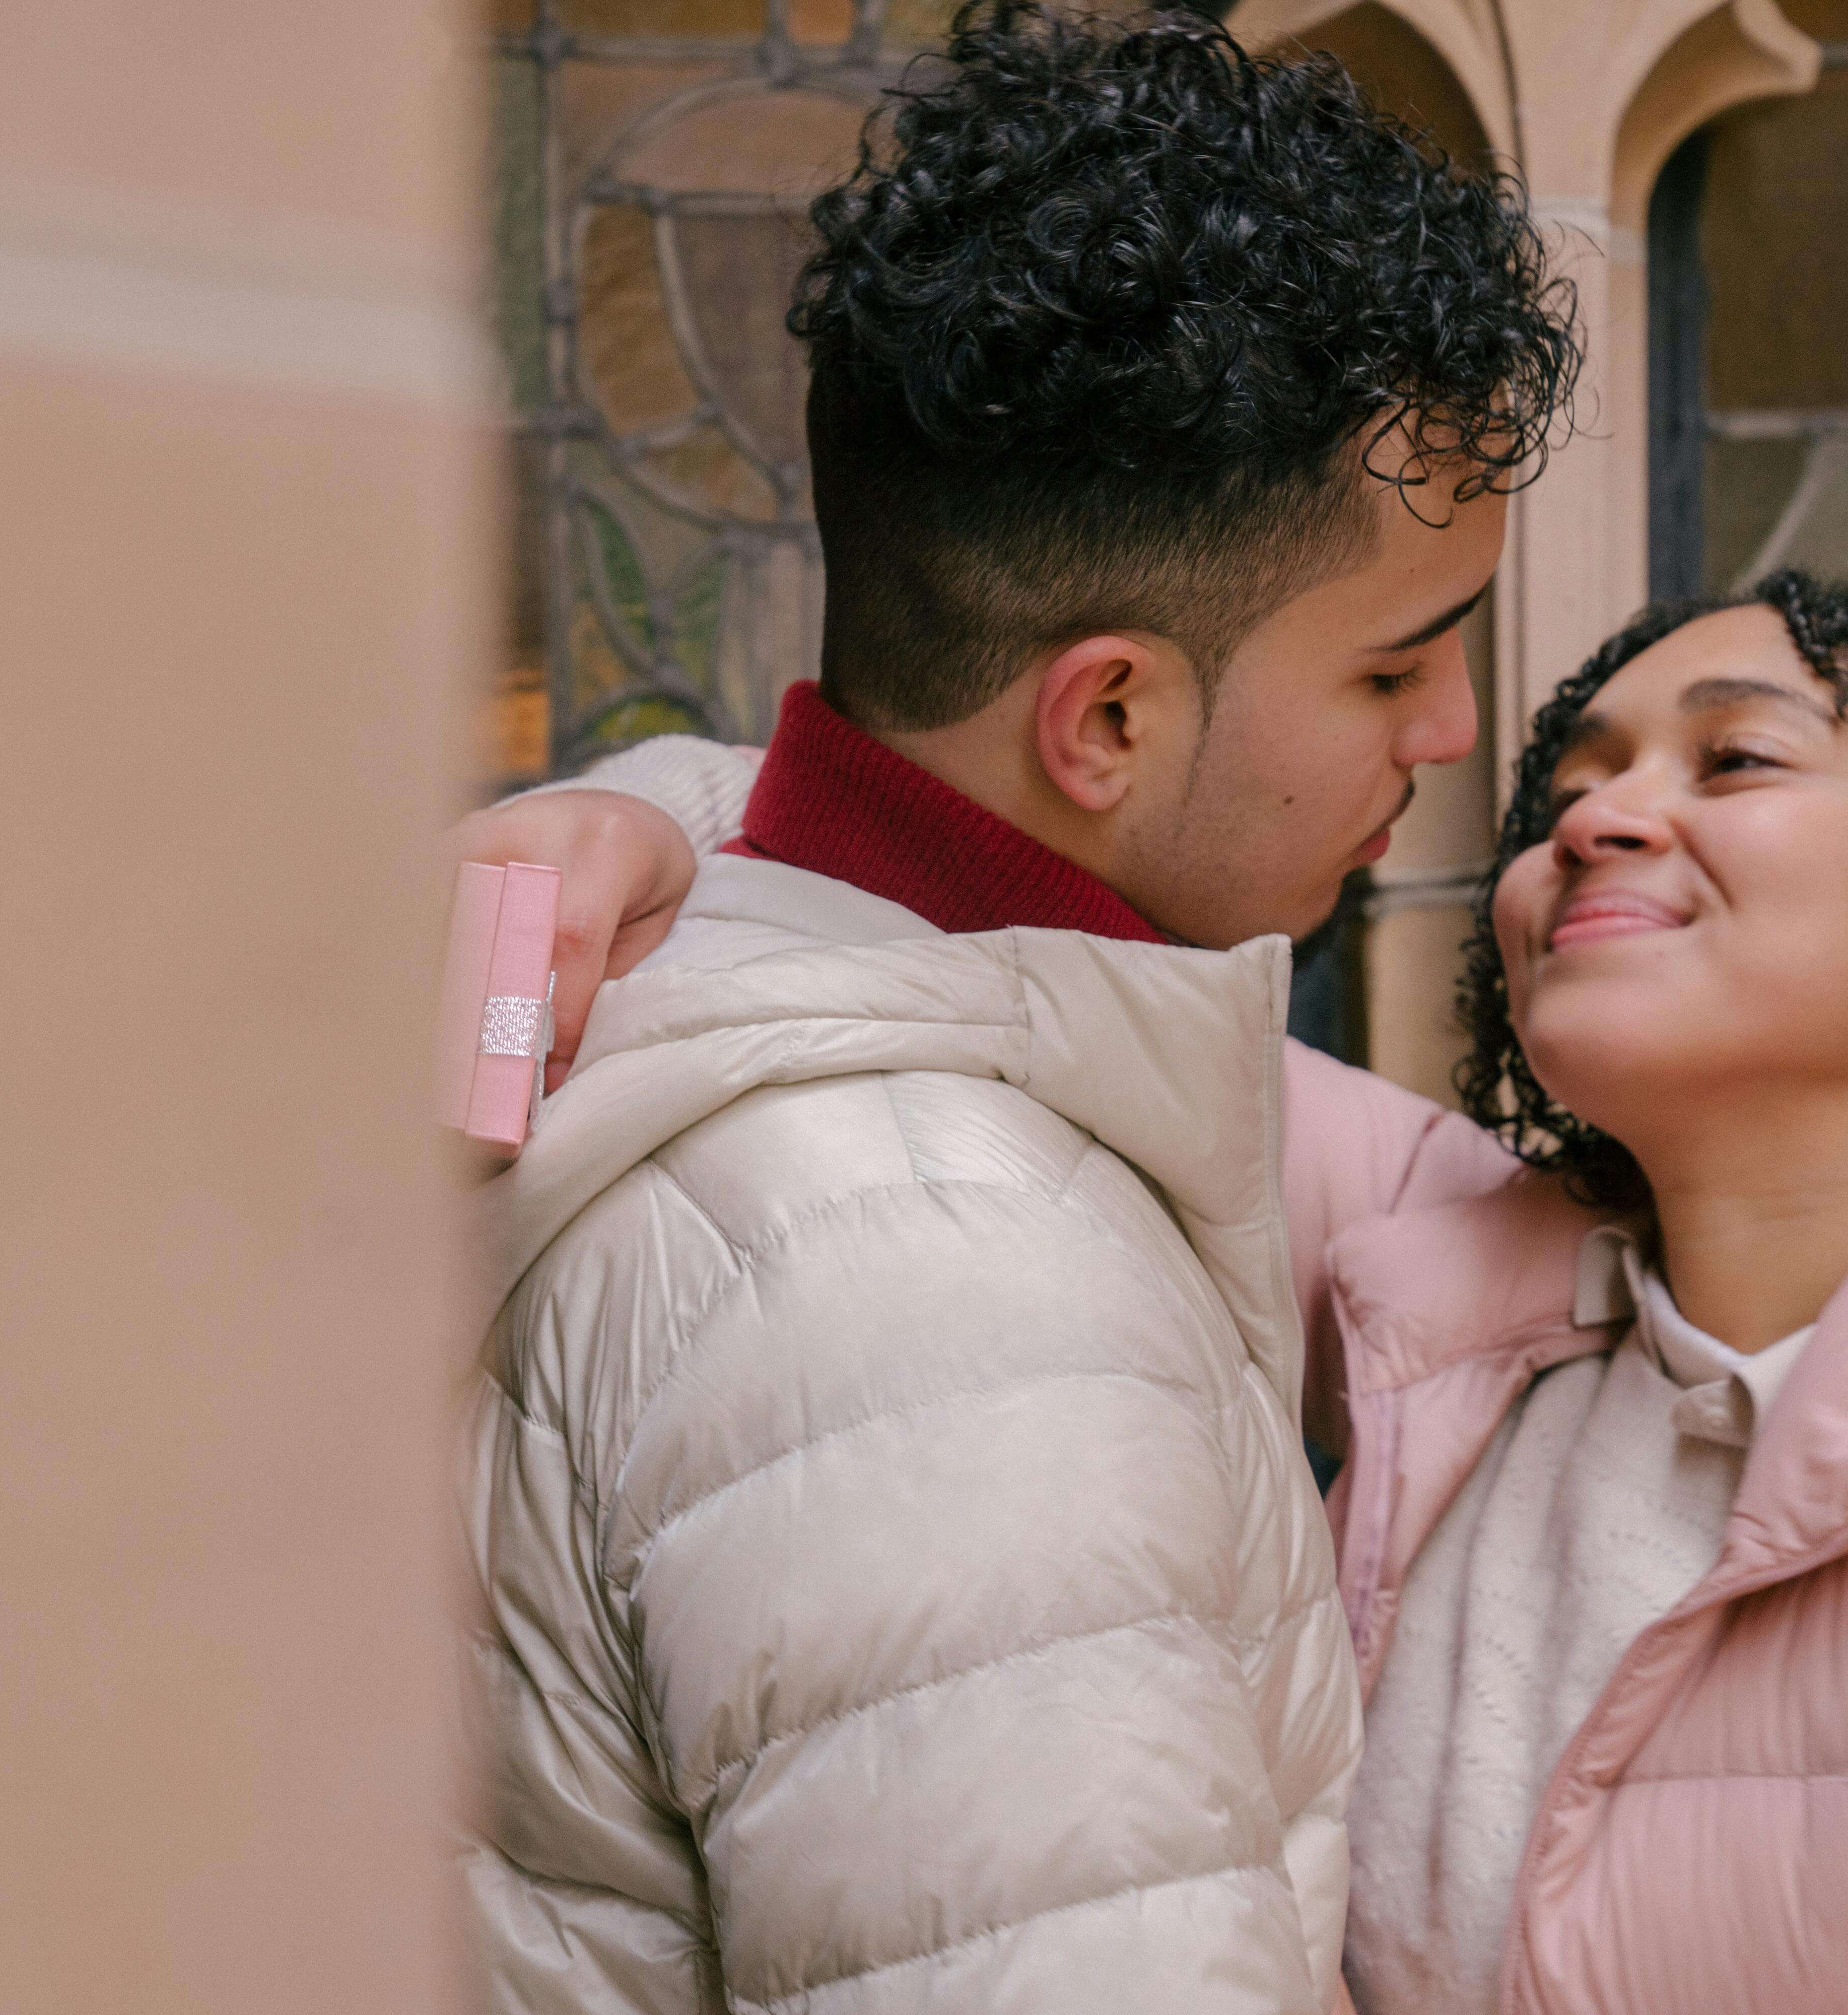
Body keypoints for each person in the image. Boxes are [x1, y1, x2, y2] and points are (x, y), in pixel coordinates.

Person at [519, 575, 1848, 2010]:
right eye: (1572, 788)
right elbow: (959, 928)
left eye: (1732, 762)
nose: (1597, 823)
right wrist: (638, 821)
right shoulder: (1456, 1266)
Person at [458, 7, 1577, 2013]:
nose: (1455, 727)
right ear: (1110, 716)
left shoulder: (711, 956)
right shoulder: (945, 1291)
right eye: (1394, 664)